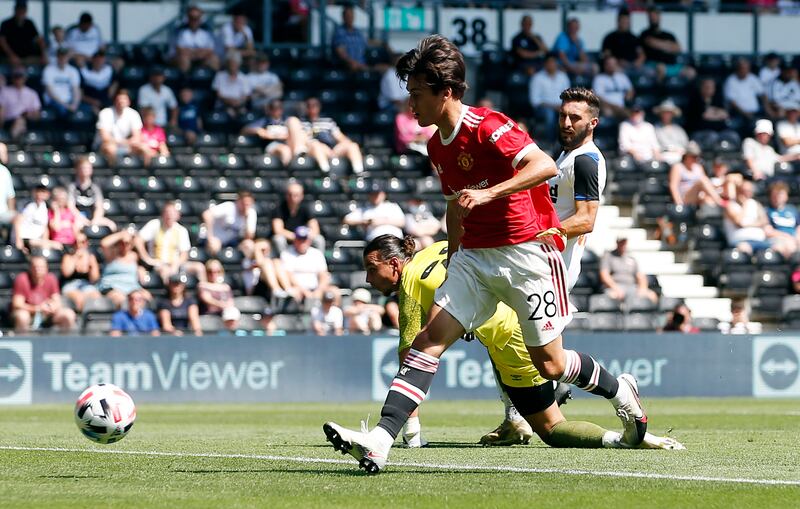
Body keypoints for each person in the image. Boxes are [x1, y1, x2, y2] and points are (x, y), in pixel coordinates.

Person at [323, 36, 648, 474]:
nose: (411, 106)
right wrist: (455, 256)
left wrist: (490, 192)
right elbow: (456, 206)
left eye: (417, 95)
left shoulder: (490, 125)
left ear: (447, 93)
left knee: (550, 364)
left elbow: (544, 167)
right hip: (475, 261)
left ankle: (619, 390)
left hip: (527, 255)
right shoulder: (437, 145)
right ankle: (379, 441)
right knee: (426, 345)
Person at [341, 235, 682, 452]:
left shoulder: (410, 284)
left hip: (513, 332)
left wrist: (411, 434)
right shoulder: (438, 246)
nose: (370, 278)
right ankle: (514, 419)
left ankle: (618, 396)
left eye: (372, 269)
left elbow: (410, 358)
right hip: (512, 311)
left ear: (395, 263)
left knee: (552, 423)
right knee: (502, 350)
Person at [482, 87, 608, 446]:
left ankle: (538, 406)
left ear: (593, 123)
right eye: (563, 116)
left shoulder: (585, 160)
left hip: (550, 267)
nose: (566, 122)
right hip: (537, 262)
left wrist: (536, 231)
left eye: (575, 118)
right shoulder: (566, 157)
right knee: (504, 340)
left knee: (522, 347)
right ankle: (520, 414)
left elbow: (585, 220)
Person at [134, 201, 195, 283]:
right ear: (163, 214)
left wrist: (176, 264)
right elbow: (138, 240)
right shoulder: (154, 224)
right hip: (158, 264)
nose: (169, 215)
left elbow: (184, 254)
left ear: (178, 215)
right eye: (167, 212)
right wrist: (146, 258)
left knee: (199, 268)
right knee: (165, 271)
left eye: (172, 213)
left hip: (176, 264)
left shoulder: (181, 230)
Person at [12, 255, 76, 333]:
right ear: (30, 268)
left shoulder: (51, 278)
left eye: (41, 267)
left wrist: (52, 307)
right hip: (29, 313)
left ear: (46, 268)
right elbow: (17, 304)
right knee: (22, 316)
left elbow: (57, 301)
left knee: (68, 314)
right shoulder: (22, 279)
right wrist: (38, 308)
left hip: (47, 314)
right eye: (35, 267)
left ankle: (66, 343)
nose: (38, 269)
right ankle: (23, 342)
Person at [302, 96, 364, 174]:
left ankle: (359, 172)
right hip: (315, 149)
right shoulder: (302, 123)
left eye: (315, 105)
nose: (312, 108)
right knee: (316, 145)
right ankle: (326, 171)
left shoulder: (328, 121)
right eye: (309, 105)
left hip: (331, 148)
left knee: (353, 145)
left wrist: (346, 143)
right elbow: (302, 141)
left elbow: (339, 136)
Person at [241, 99, 306, 167]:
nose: (277, 110)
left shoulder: (287, 120)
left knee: (293, 120)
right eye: (274, 108)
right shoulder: (265, 121)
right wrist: (259, 130)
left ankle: (298, 154)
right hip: (272, 145)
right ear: (269, 109)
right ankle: (287, 172)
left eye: (279, 107)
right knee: (285, 150)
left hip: (288, 143)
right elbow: (244, 130)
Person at [600, 236, 658, 305]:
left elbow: (640, 276)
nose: (623, 244)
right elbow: (604, 275)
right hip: (615, 287)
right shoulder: (608, 256)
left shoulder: (631, 258)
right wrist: (616, 288)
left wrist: (643, 288)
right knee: (612, 296)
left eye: (624, 242)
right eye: (621, 242)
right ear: (617, 243)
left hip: (632, 287)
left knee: (652, 295)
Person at [279, 225, 330, 304]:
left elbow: (323, 275)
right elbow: (289, 276)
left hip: (315, 289)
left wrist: (319, 290)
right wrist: (304, 291)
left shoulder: (317, 253)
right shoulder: (286, 253)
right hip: (297, 289)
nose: (302, 242)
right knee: (294, 294)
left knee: (334, 293)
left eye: (304, 239)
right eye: (299, 239)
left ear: (309, 240)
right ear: (295, 240)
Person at [639, 7, 692, 81]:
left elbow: (678, 48)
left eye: (655, 16)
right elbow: (651, 42)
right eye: (651, 16)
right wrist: (668, 45)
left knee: (690, 72)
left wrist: (659, 44)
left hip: (672, 65)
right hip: (653, 65)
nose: (653, 18)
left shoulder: (668, 35)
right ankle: (661, 91)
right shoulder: (644, 34)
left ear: (659, 17)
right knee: (661, 68)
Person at [97, 230, 148, 308]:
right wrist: (121, 234)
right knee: (123, 301)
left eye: (127, 243)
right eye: (121, 243)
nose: (124, 245)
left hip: (132, 287)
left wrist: (140, 268)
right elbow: (104, 243)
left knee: (147, 296)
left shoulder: (134, 256)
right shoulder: (112, 254)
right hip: (113, 288)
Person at [95, 89, 146, 166]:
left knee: (144, 148)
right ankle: (114, 174)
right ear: (114, 101)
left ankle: (145, 175)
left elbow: (137, 137)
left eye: (124, 99)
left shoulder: (134, 114)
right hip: (104, 146)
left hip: (126, 146)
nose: (121, 101)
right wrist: (126, 142)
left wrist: (127, 143)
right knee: (111, 149)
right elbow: (105, 138)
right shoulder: (105, 113)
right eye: (119, 99)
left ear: (129, 101)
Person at [723, 180, 775, 256]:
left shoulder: (756, 204)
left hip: (760, 240)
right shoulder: (731, 205)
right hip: (740, 241)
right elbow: (738, 222)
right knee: (745, 250)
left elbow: (764, 221)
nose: (747, 194)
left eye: (749, 191)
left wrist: (747, 225)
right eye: (743, 191)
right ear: (738, 191)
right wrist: (745, 206)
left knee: (775, 250)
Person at [668, 142, 725, 208]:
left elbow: (707, 185)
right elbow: (673, 186)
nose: (696, 159)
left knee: (709, 201)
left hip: (699, 196)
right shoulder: (678, 167)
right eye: (694, 156)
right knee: (702, 180)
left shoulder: (698, 167)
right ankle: (720, 202)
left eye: (697, 156)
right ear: (686, 156)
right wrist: (679, 204)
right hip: (685, 197)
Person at [271, 181, 322, 254]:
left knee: (319, 239)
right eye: (290, 194)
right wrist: (296, 237)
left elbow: (315, 229)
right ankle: (283, 262)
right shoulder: (279, 208)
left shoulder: (306, 208)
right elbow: (278, 230)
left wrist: (304, 237)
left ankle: (319, 263)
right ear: (286, 195)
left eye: (296, 195)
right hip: (289, 238)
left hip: (303, 238)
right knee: (278, 239)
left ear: (302, 196)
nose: (292, 198)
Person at [529, 53, 570, 142]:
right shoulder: (537, 78)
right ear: (545, 64)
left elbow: (568, 96)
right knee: (549, 115)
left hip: (561, 107)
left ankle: (566, 143)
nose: (551, 64)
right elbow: (535, 101)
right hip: (543, 109)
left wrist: (561, 107)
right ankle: (550, 143)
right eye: (549, 62)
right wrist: (553, 107)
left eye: (553, 62)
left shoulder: (563, 76)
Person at [67, 156, 116, 230]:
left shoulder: (95, 188)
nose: (85, 170)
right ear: (77, 169)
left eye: (88, 168)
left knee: (111, 225)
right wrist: (83, 219)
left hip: (93, 217)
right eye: (83, 168)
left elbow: (99, 207)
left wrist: (95, 219)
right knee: (76, 226)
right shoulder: (72, 187)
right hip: (78, 218)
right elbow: (71, 207)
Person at [201, 191, 256, 256]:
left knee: (249, 245)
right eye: (243, 203)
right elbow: (207, 214)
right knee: (214, 246)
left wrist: (246, 219)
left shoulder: (251, 213)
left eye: (247, 204)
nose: (245, 207)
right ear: (238, 201)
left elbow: (249, 237)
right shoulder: (229, 207)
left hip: (233, 241)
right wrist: (210, 237)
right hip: (216, 239)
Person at [60, 232, 101, 313]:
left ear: (86, 243)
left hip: (86, 285)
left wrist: (90, 264)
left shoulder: (91, 257)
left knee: (96, 296)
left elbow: (94, 278)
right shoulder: (68, 257)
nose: (79, 245)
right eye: (76, 242)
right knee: (79, 298)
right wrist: (75, 259)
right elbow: (66, 273)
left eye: (82, 242)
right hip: (70, 285)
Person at [14, 184, 62, 253]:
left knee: (54, 247)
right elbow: (17, 222)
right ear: (34, 192)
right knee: (56, 245)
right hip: (25, 239)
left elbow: (44, 227)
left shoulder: (44, 206)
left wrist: (45, 241)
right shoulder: (28, 204)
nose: (40, 194)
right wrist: (19, 242)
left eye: (43, 191)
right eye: (39, 191)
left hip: (36, 240)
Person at [173, 5, 219, 73]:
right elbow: (180, 50)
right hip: (186, 58)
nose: (194, 21)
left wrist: (197, 53)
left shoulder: (206, 33)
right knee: (184, 59)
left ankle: (216, 81)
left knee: (214, 59)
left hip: (202, 58)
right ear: (188, 19)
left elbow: (210, 50)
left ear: (200, 19)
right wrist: (196, 53)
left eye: (197, 18)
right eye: (192, 18)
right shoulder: (181, 32)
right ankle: (184, 82)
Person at [0, 0, 47, 66]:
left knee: (45, 61)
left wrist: (44, 54)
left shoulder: (29, 23)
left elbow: (39, 39)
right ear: (15, 9)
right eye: (19, 9)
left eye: (23, 9)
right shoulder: (6, 23)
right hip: (9, 57)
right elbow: (2, 41)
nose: (21, 12)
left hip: (27, 57)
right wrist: (12, 56)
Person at [724, 58, 768, 126]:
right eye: (742, 68)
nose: (744, 70)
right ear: (737, 69)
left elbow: (763, 94)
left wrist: (767, 108)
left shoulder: (752, 78)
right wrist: (745, 114)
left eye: (746, 68)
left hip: (755, 113)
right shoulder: (731, 80)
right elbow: (732, 102)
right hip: (738, 114)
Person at [0, 66, 41, 139]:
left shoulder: (32, 93)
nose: (18, 79)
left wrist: (29, 114)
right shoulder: (5, 91)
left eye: (20, 76)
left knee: (20, 121)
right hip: (9, 121)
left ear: (25, 78)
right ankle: (18, 145)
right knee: (19, 122)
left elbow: (37, 115)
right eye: (16, 77)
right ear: (12, 78)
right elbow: (2, 110)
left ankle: (15, 144)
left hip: (28, 122)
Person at [42, 47, 81, 118]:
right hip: (53, 100)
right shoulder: (48, 69)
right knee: (63, 110)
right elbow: (50, 93)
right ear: (57, 57)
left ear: (68, 57)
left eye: (64, 56)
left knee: (82, 110)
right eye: (60, 56)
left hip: (68, 100)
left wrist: (75, 104)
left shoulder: (73, 70)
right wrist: (66, 105)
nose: (62, 58)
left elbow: (76, 89)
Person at [764, 181, 800, 256]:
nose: (777, 197)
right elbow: (768, 231)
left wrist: (797, 237)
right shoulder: (768, 211)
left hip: (794, 239)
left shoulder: (792, 210)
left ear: (786, 196)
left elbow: (798, 227)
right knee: (783, 246)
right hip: (778, 239)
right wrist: (786, 236)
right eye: (775, 195)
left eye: (780, 194)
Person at [332, 4, 367, 72]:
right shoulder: (339, 33)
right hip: (347, 66)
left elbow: (366, 41)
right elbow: (341, 53)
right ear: (343, 17)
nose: (350, 18)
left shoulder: (358, 32)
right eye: (348, 16)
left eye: (351, 15)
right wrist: (352, 62)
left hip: (362, 64)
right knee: (353, 66)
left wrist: (383, 43)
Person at [654, 99, 689, 165]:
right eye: (665, 112)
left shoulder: (679, 129)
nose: (667, 115)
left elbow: (685, 145)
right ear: (661, 114)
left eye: (669, 112)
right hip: (664, 156)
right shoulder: (655, 128)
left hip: (680, 155)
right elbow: (655, 146)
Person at [0, 161, 15, 236]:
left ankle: (13, 246)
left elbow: (10, 196)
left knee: (19, 218)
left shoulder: (4, 171)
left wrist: (11, 211)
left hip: (3, 213)